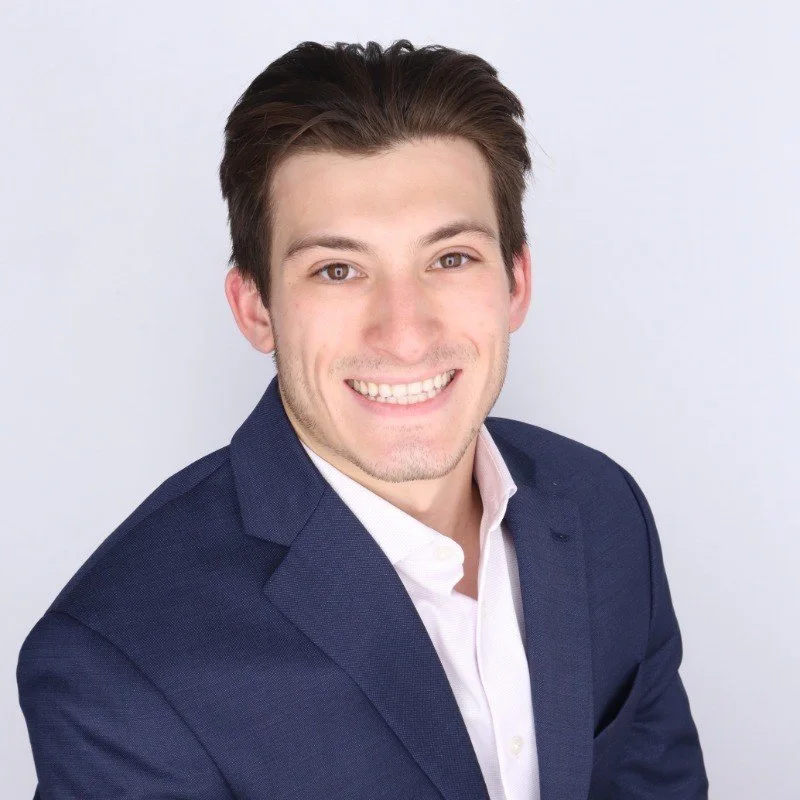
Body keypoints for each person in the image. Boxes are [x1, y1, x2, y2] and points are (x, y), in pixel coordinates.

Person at [16, 39, 708, 799]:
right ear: (256, 309)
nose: (404, 334)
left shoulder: (604, 510)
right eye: (337, 270)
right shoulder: (121, 665)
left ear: (516, 282)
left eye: (450, 259)